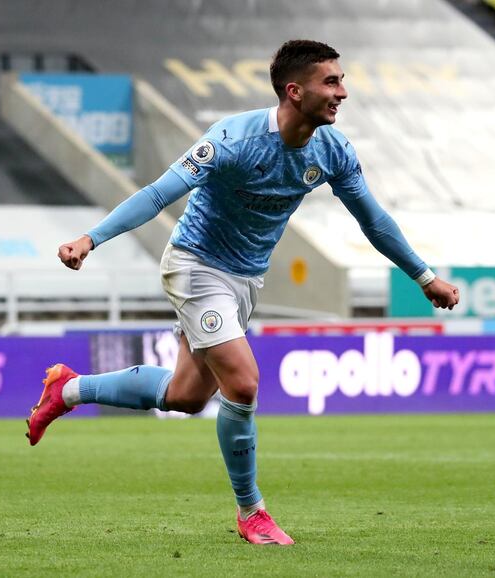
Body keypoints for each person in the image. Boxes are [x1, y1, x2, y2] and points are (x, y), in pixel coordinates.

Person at [26, 39, 459, 545]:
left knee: (186, 396)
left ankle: (69, 388)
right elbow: (158, 193)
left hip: (245, 280)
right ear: (295, 91)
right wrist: (90, 238)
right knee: (245, 383)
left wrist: (423, 275)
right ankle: (251, 511)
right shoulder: (232, 139)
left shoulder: (333, 150)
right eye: (332, 82)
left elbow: (373, 220)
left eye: (341, 80)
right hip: (196, 266)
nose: (343, 92)